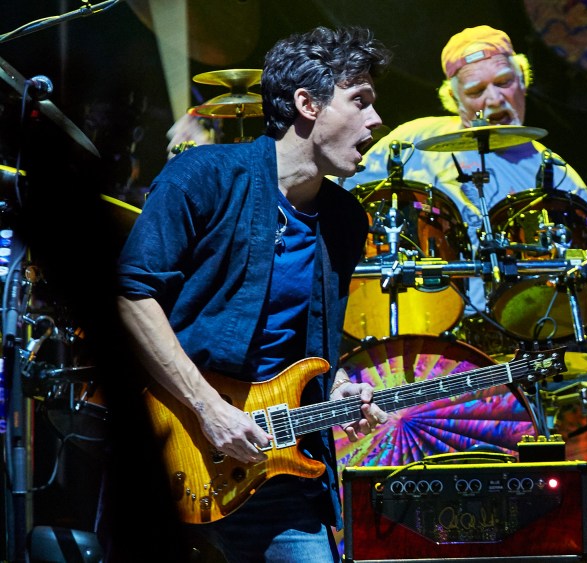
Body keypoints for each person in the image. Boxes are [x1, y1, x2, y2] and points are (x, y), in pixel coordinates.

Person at [116, 26, 391, 561]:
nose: (376, 121)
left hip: (280, 474)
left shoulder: (344, 219)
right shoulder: (202, 176)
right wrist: (208, 407)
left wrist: (333, 387)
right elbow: (130, 295)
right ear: (306, 104)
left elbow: (304, 339)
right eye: (359, 101)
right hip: (177, 454)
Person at [342, 25, 587, 319]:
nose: (495, 99)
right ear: (454, 98)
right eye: (476, 91)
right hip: (421, 319)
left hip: (529, 324)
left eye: (504, 82)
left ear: (523, 79)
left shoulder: (559, 175)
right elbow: (341, 198)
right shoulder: (414, 142)